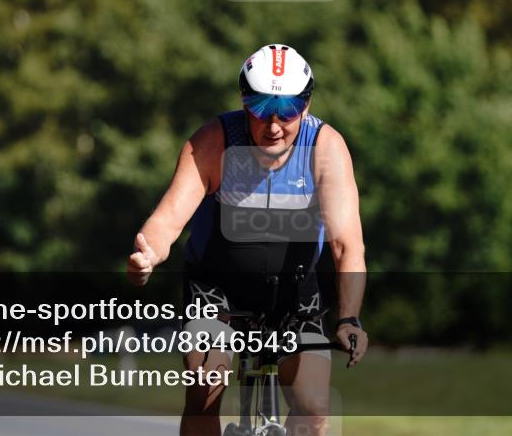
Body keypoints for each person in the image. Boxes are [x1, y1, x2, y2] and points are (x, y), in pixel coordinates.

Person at [127, 44, 368, 436]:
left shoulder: (325, 148)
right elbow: (169, 217)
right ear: (243, 103)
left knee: (314, 407)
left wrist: (349, 317)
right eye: (260, 108)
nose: (274, 125)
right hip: (217, 291)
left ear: (305, 106)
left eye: (287, 110)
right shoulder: (214, 141)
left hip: (294, 295)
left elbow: (347, 244)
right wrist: (148, 254)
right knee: (205, 388)